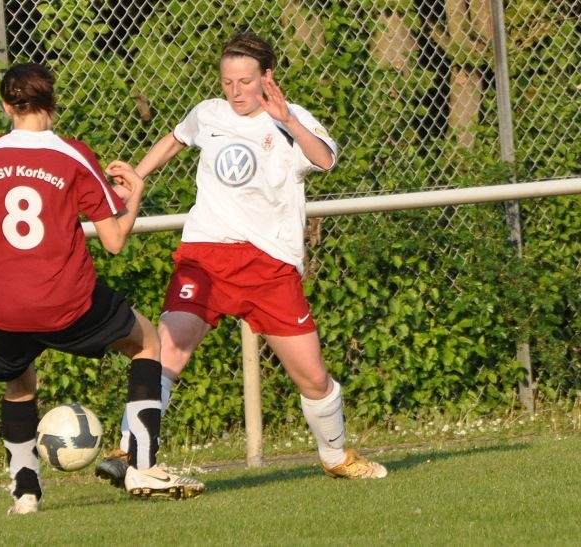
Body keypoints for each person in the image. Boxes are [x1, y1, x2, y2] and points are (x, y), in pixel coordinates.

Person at [0, 62, 204, 515]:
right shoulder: (73, 155)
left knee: (20, 382)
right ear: (52, 104)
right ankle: (142, 465)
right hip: (69, 302)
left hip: (5, 307)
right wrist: (134, 190)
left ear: (6, 106)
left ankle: (25, 492)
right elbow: (116, 241)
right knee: (148, 342)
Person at [95, 31, 387, 484]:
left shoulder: (290, 120)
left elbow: (325, 160)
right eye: (227, 81)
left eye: (245, 81)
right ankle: (131, 449)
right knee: (168, 348)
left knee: (313, 379)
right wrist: (138, 173)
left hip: (269, 264)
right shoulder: (208, 114)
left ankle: (335, 455)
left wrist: (286, 118)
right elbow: (175, 139)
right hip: (206, 254)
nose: (234, 91)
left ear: (267, 78)